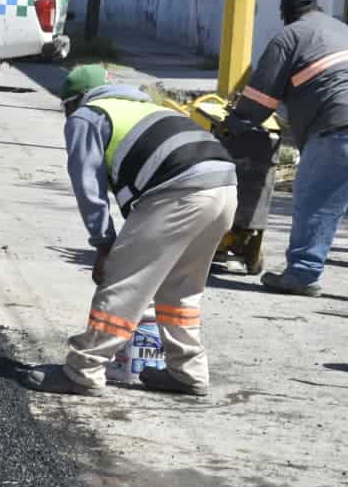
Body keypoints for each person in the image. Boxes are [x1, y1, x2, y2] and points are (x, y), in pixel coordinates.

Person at [23, 65, 238, 398]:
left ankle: (83, 370)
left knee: (124, 283)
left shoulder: (88, 115)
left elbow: (88, 187)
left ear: (76, 99)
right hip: (224, 186)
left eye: (66, 106)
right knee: (180, 289)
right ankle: (188, 372)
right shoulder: (148, 108)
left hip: (180, 190)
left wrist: (104, 243)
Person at [227, 0, 348, 297]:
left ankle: (303, 274)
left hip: (336, 126)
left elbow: (261, 97)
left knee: (315, 201)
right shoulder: (340, 28)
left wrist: (237, 120)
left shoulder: (290, 36)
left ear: (286, 14)